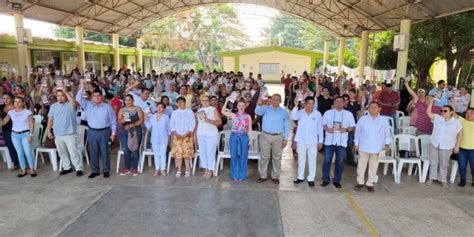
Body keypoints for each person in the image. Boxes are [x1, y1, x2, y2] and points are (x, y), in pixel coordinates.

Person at [76, 82, 117, 179]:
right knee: (93, 151)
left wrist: (113, 133)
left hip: (104, 131)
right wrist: (82, 87)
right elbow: (78, 98)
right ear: (92, 97)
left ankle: (106, 170)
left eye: (99, 96)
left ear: (102, 97)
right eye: (94, 96)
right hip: (92, 131)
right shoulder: (88, 105)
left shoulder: (107, 107)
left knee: (105, 152)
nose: (97, 98)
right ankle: (95, 170)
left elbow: (113, 121)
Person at [353, 102, 392, 192]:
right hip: (363, 146)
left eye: (375, 107)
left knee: (373, 167)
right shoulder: (362, 119)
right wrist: (356, 144)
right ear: (368, 109)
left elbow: (387, 134)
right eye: (371, 107)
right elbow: (357, 133)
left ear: (379, 109)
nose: (373, 109)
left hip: (377, 148)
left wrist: (387, 145)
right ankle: (360, 183)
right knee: (361, 166)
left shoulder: (383, 121)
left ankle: (370, 183)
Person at [45, 88, 83, 176]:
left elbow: (75, 104)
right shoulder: (53, 106)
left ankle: (78, 168)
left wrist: (66, 92)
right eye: (58, 96)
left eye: (62, 96)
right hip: (58, 134)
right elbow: (50, 119)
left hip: (70, 134)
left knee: (73, 152)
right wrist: (49, 131)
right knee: (62, 153)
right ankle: (67, 167)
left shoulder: (70, 105)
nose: (60, 98)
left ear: (66, 96)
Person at [426, 97, 462, 187]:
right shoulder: (438, 118)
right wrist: (431, 102)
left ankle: (443, 180)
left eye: (445, 111)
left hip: (447, 146)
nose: (442, 112)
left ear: (451, 113)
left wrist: (457, 146)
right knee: (433, 161)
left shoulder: (456, 122)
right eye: (441, 110)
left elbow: (460, 134)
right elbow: (428, 113)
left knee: (444, 163)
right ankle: (431, 178)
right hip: (435, 143)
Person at [321, 96, 356, 188]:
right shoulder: (328, 113)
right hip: (329, 141)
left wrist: (347, 129)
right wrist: (327, 129)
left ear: (344, 103)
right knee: (327, 161)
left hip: (341, 142)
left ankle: (337, 180)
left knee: (340, 162)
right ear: (334, 103)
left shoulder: (349, 114)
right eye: (337, 101)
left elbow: (352, 127)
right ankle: (325, 179)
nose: (339, 103)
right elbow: (323, 124)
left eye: (341, 101)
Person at [255, 94, 289, 184]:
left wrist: (285, 139)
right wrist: (259, 104)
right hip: (265, 136)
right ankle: (263, 175)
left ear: (280, 101)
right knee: (264, 156)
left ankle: (275, 176)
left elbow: (287, 126)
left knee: (277, 158)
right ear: (271, 100)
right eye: (273, 99)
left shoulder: (284, 112)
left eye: (277, 99)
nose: (275, 101)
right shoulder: (266, 108)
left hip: (278, 137)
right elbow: (257, 112)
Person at [291, 96, 323, 187]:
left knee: (312, 160)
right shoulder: (300, 113)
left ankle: (311, 178)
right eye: (309, 103)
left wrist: (321, 141)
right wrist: (296, 106)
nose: (310, 105)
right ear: (305, 104)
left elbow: (320, 128)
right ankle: (300, 177)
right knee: (301, 159)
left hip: (313, 141)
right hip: (301, 140)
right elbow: (293, 117)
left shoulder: (318, 114)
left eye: (312, 104)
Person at [0, 97, 36, 177]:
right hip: (15, 134)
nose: (16, 103)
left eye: (19, 102)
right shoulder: (11, 112)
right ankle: (23, 169)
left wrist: (31, 135)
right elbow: (4, 121)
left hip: (25, 134)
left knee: (28, 152)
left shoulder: (28, 112)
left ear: (23, 103)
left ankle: (32, 169)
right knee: (19, 153)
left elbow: (31, 124)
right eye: (15, 101)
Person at [222, 97, 252, 181]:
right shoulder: (233, 115)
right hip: (234, 137)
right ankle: (234, 175)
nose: (241, 107)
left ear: (245, 106)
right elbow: (223, 111)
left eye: (243, 105)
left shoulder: (248, 116)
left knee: (243, 156)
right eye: (239, 105)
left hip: (244, 137)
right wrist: (226, 100)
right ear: (237, 106)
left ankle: (242, 175)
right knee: (234, 156)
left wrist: (251, 139)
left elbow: (249, 128)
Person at [117, 95, 144, 176]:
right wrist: (124, 120)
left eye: (129, 100)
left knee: (135, 149)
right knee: (125, 149)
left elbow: (141, 120)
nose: (128, 102)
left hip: (135, 131)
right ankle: (126, 168)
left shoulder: (138, 108)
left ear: (133, 100)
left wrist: (133, 125)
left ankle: (135, 168)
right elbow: (119, 121)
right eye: (126, 100)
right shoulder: (122, 109)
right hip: (124, 132)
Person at [170, 97, 196, 177]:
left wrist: (188, 132)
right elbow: (172, 124)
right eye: (178, 102)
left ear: (185, 103)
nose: (180, 104)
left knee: (186, 153)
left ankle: (187, 169)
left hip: (187, 136)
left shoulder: (190, 112)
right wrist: (174, 132)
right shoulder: (174, 112)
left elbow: (192, 123)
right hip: (177, 136)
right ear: (177, 104)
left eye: (182, 102)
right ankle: (179, 169)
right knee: (178, 153)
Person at [196, 96, 221, 178]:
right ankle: (205, 168)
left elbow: (219, 122)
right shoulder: (199, 110)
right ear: (201, 102)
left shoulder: (213, 109)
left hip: (211, 134)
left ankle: (210, 169)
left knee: (210, 152)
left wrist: (208, 120)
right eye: (203, 101)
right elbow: (197, 123)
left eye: (207, 100)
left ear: (209, 101)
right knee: (203, 152)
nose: (205, 102)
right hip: (201, 134)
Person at [144, 103, 170, 176]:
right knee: (156, 154)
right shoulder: (152, 117)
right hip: (154, 138)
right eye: (158, 107)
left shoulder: (166, 117)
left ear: (164, 109)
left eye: (161, 107)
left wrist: (170, 137)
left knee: (163, 154)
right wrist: (146, 119)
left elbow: (169, 129)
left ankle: (162, 169)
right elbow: (149, 127)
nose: (159, 108)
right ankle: (157, 169)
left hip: (164, 138)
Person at [454, 108, 474, 187]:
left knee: (473, 166)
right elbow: (453, 113)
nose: (468, 114)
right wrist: (454, 101)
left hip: (473, 150)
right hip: (462, 148)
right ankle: (463, 180)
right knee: (462, 165)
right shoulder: (462, 121)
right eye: (467, 113)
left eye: (471, 113)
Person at [0, 93, 19, 169]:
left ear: (12, 99)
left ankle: (23, 163)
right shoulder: (1, 107)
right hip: (6, 130)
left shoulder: (17, 106)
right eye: (4, 98)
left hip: (17, 130)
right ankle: (15, 164)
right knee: (11, 147)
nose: (5, 100)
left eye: (7, 98)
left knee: (18, 147)